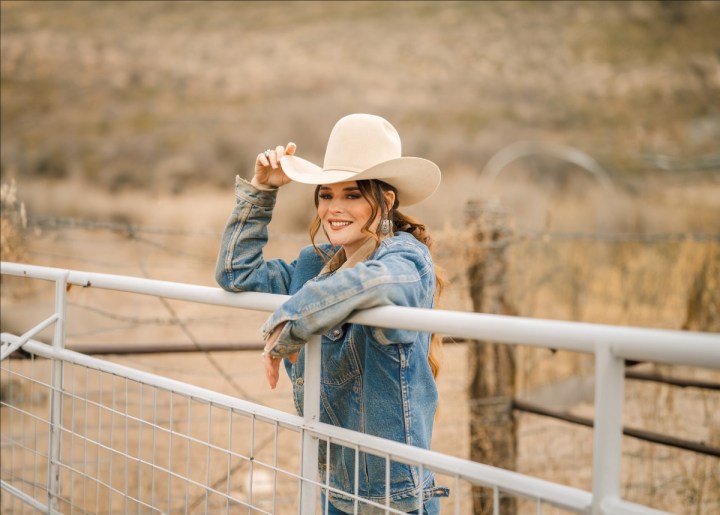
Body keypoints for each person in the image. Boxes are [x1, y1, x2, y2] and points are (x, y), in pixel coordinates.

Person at [215, 113, 449, 513]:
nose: (334, 209)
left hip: (394, 496)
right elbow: (236, 273)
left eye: (352, 195)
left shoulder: (406, 255)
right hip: (334, 484)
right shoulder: (315, 263)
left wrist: (292, 320)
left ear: (386, 201)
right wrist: (261, 191)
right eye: (326, 195)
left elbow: (381, 282)